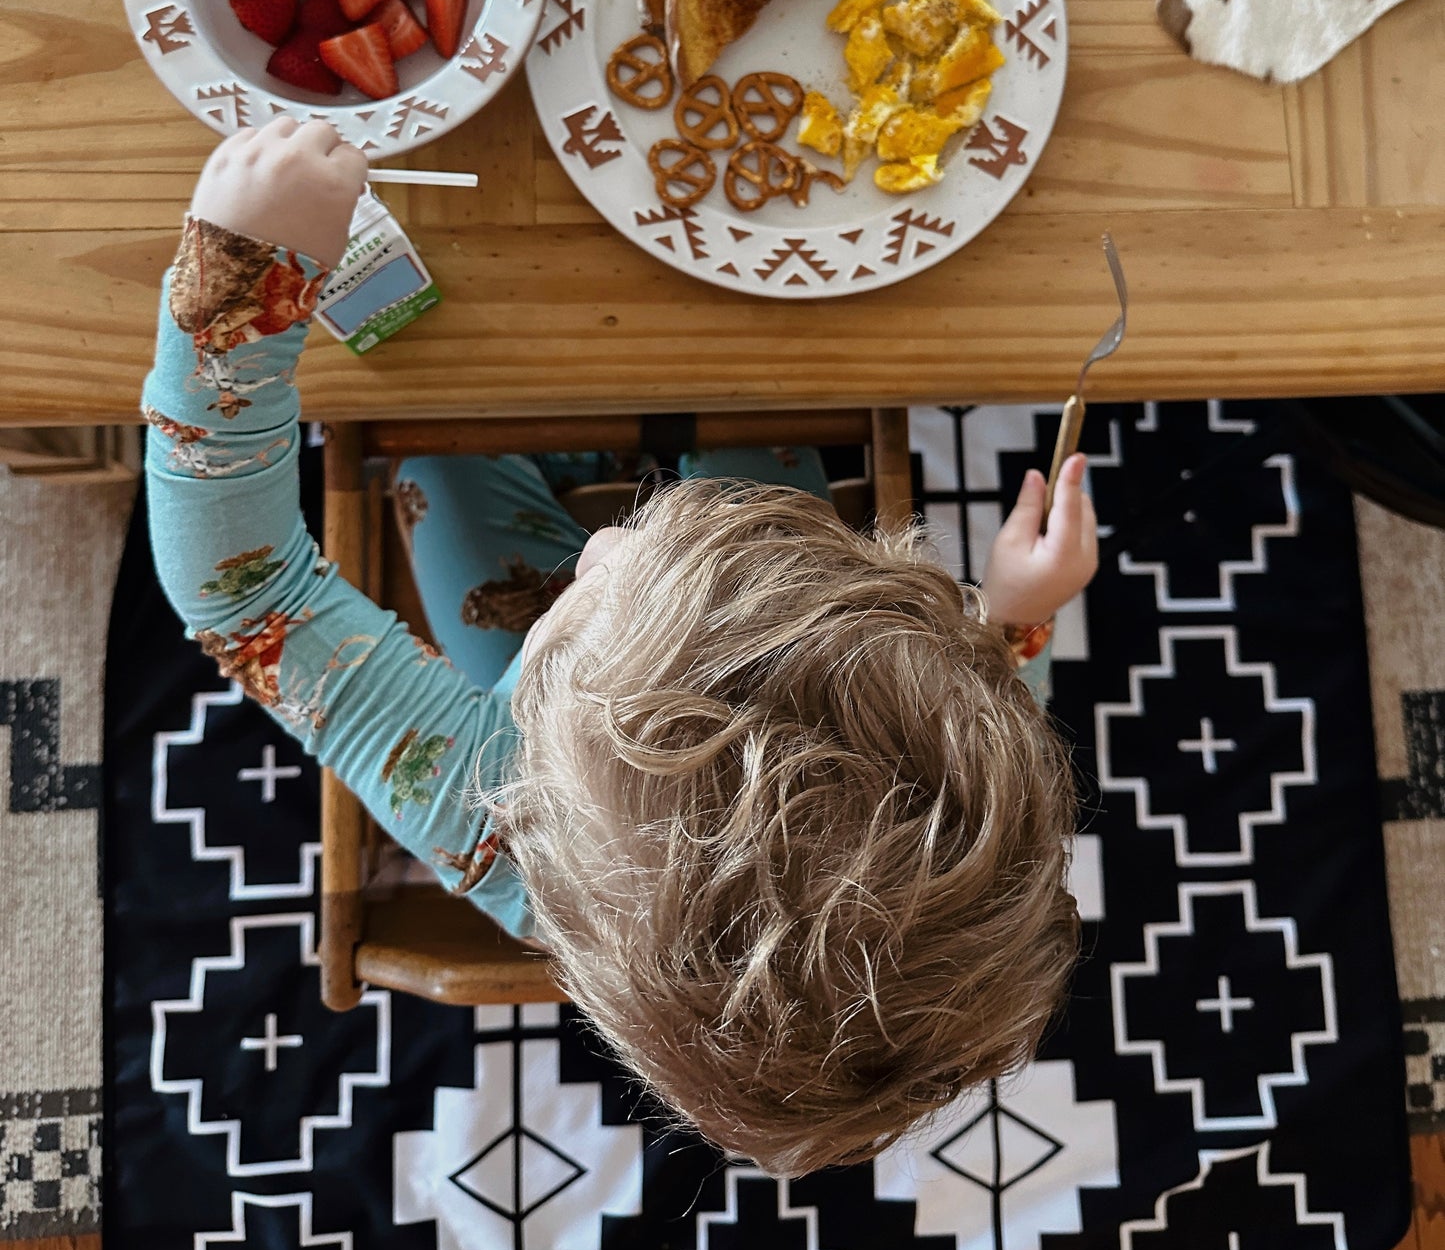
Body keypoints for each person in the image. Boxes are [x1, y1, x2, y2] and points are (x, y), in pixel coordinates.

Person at [142, 116, 1098, 1176]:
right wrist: (1011, 620)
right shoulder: (964, 807)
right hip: (768, 553)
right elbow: (976, 723)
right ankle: (720, 545)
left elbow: (241, 593)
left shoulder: (491, 813)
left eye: (592, 591)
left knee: (447, 451)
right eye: (640, 549)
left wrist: (237, 288)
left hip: (526, 602)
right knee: (749, 438)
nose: (604, 541)